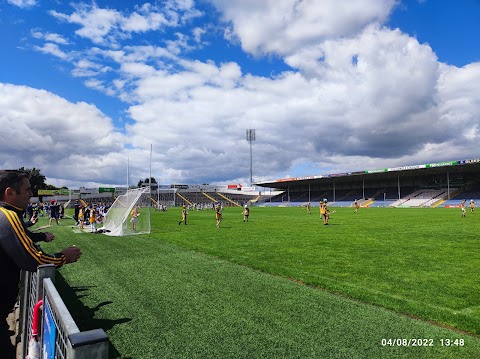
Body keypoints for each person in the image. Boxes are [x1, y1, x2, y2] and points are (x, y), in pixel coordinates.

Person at [0, 170, 81, 357]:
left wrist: (42, 237)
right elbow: (33, 260)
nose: (31, 194)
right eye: (27, 189)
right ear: (10, 193)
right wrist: (62, 257)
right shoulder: (8, 216)